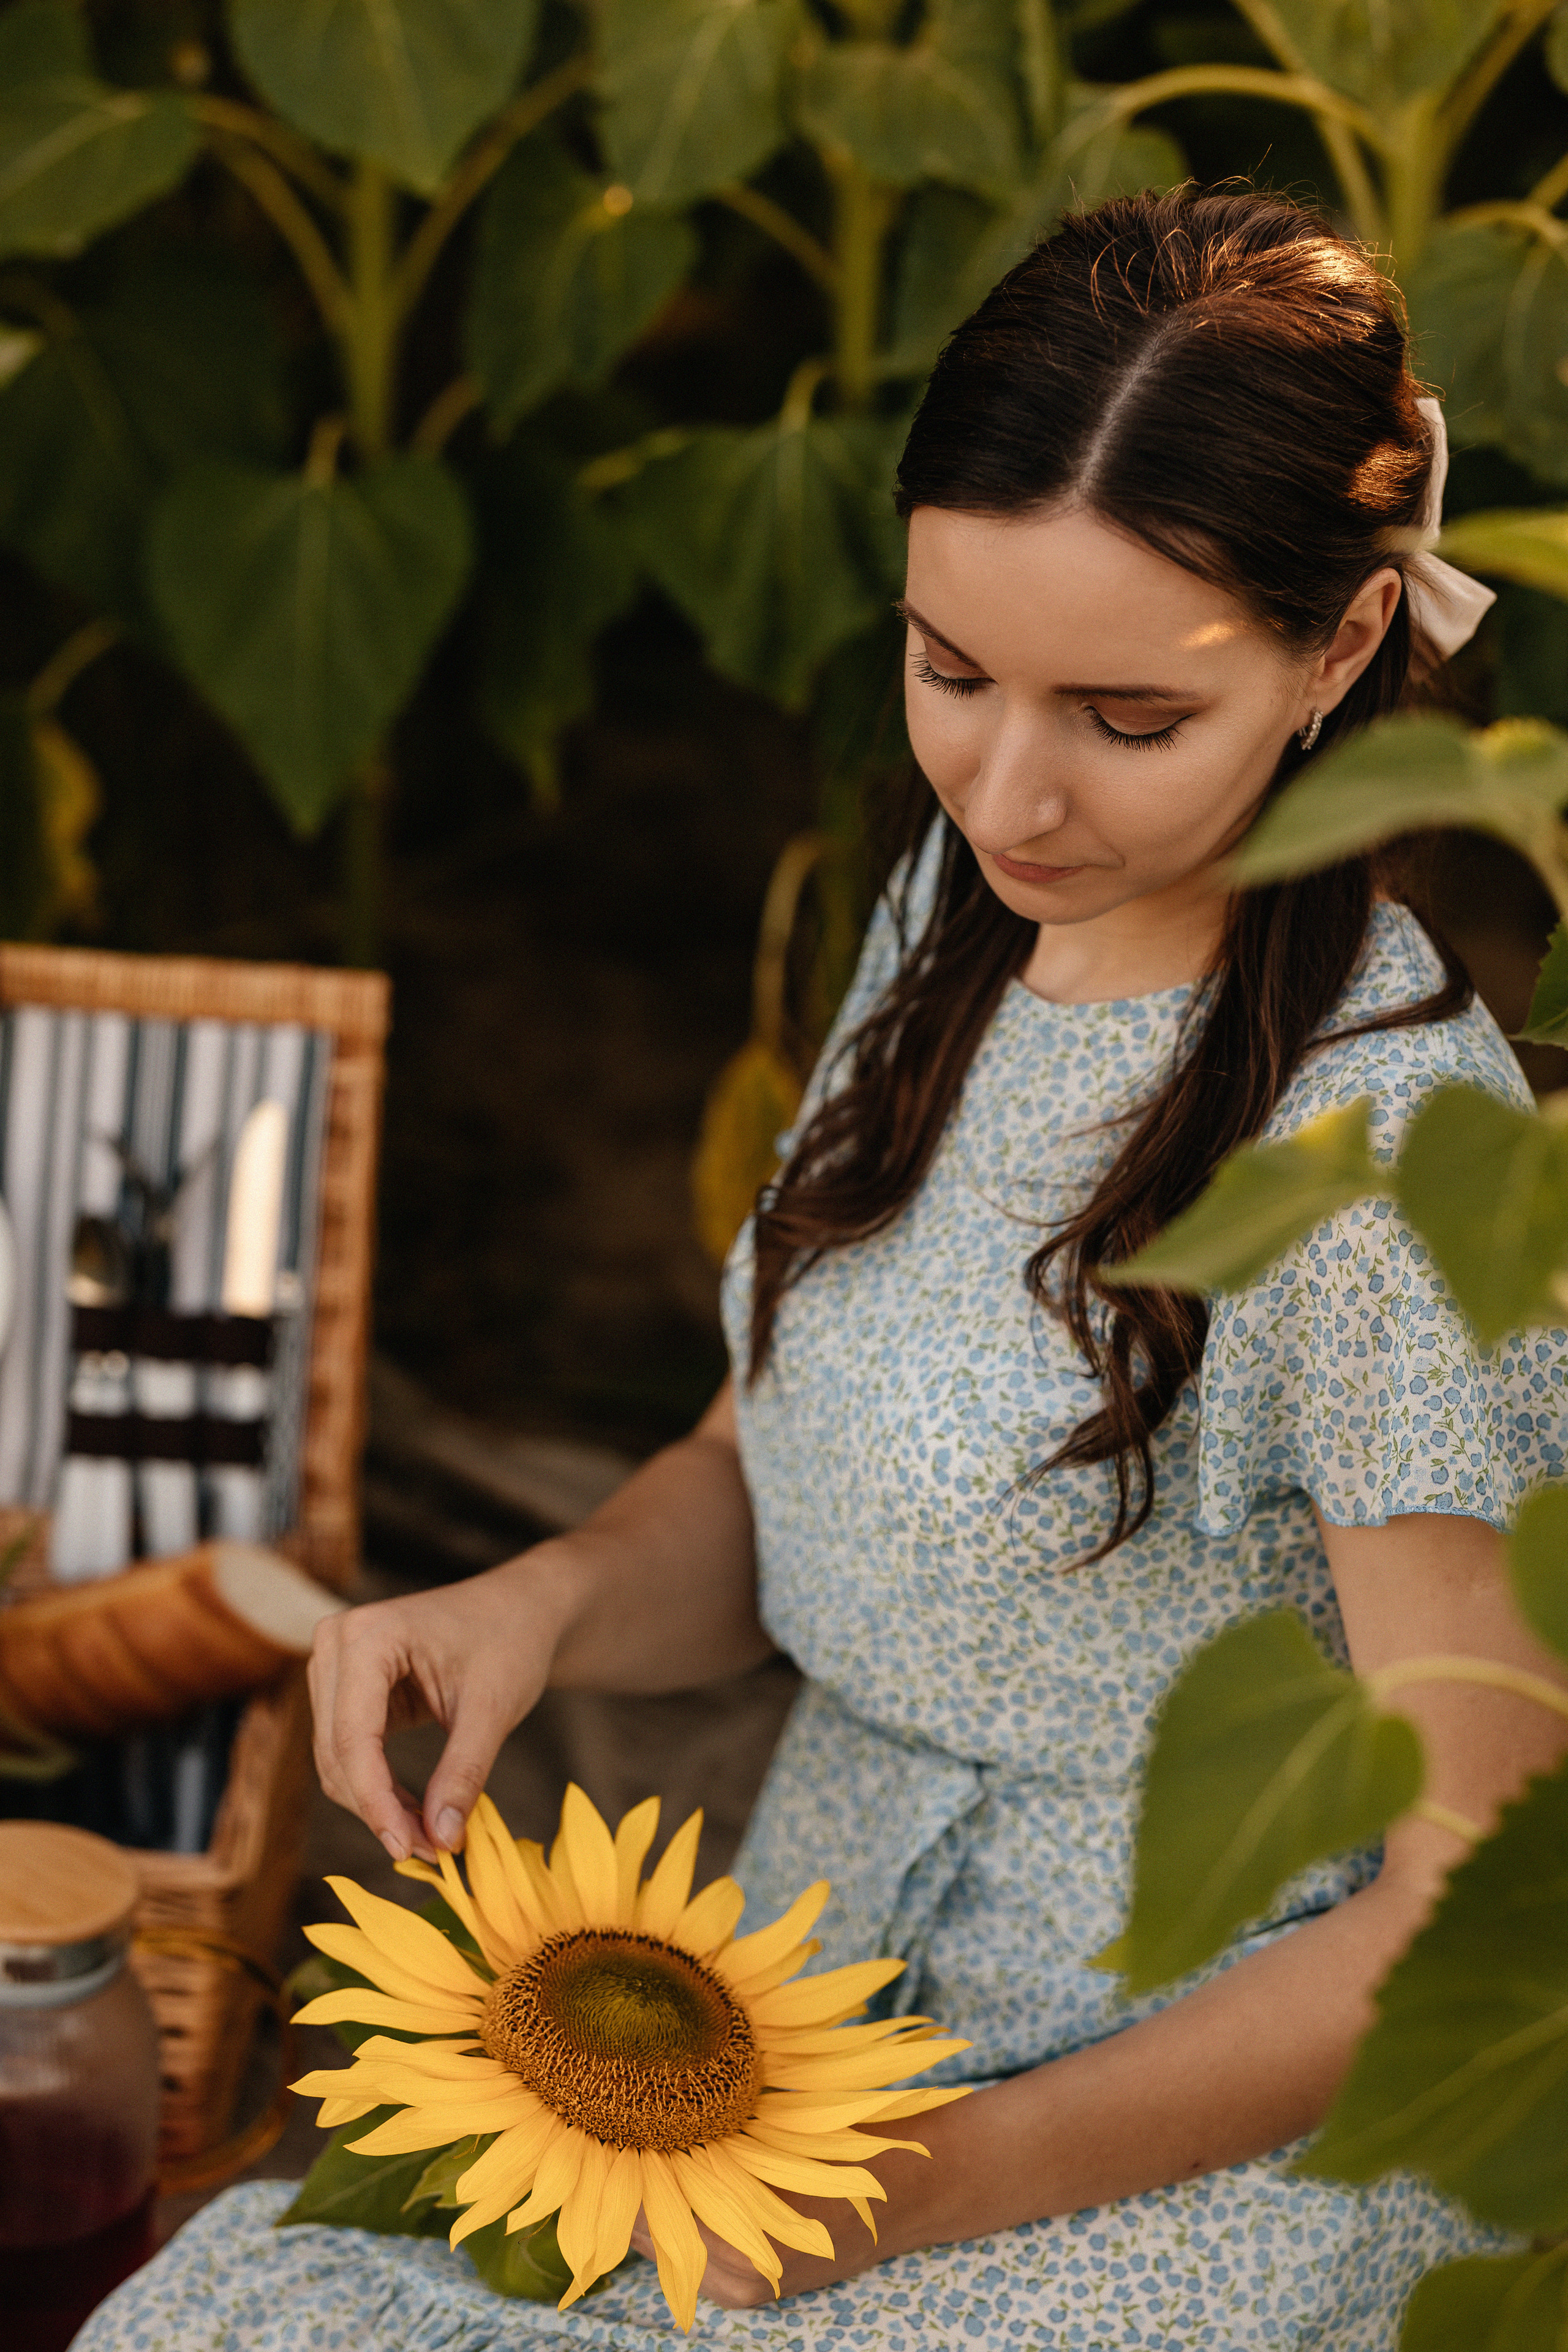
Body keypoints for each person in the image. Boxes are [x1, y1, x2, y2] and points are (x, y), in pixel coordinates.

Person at [81, 186, 1568, 2352]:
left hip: (1157, 2125)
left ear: (1344, 650)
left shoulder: (1386, 1153)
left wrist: (931, 2184)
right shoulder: (951, 938)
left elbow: (1476, 1911)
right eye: (947, 667)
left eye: (1124, 717)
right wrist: (547, 1599)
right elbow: (766, 1472)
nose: (1007, 784)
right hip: (789, 2006)